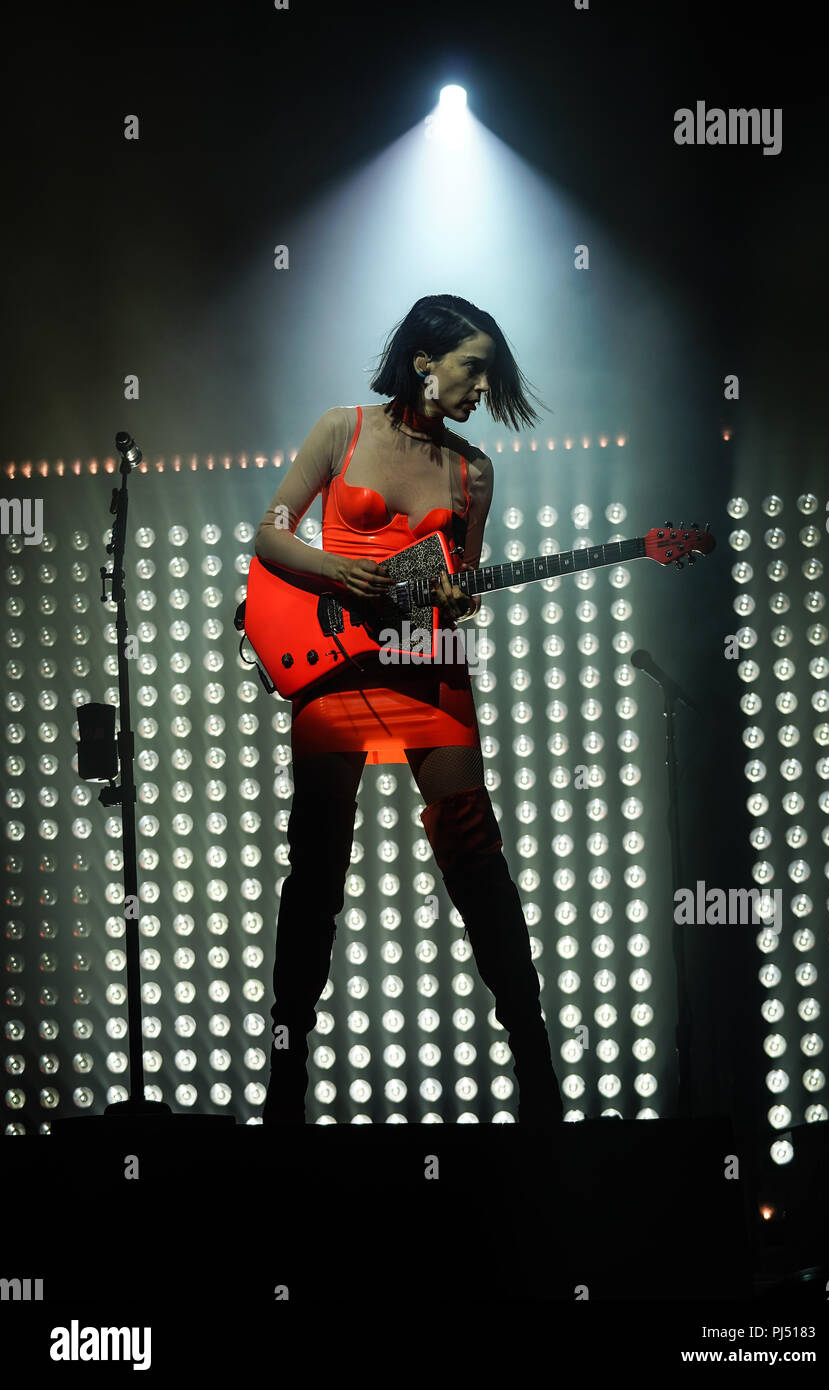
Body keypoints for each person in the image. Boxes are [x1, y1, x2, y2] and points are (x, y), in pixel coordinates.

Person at [254, 293, 562, 1125]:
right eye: (471, 367)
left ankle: (538, 1069)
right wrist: (336, 570)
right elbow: (269, 534)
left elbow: (461, 582)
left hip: (429, 662)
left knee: (474, 847)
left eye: (489, 374)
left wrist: (461, 603)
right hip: (336, 660)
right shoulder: (340, 429)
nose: (481, 388)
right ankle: (287, 1075)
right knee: (316, 862)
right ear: (423, 362)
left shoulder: (473, 472)